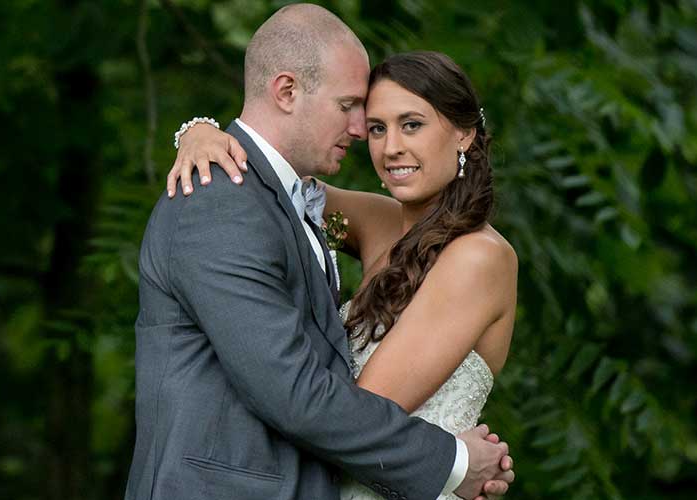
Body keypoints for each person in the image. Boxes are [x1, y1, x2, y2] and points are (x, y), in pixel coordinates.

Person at [125, 4, 513, 500]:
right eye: (372, 123)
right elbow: (266, 179)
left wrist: (455, 466)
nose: (379, 142)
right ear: (287, 91)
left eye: (411, 124)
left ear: (463, 132)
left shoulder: (478, 258)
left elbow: (353, 403)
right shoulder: (361, 220)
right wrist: (199, 133)